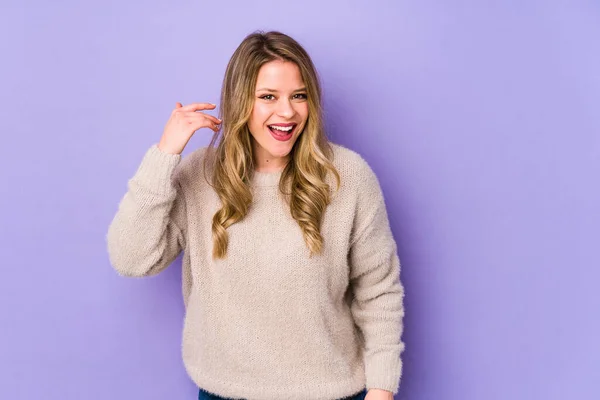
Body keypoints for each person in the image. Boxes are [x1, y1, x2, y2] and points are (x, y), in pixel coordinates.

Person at [107, 30, 405, 400]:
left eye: (299, 96)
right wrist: (165, 154)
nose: (287, 111)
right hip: (223, 393)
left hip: (331, 393)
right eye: (268, 97)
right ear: (239, 102)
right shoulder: (200, 177)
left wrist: (381, 391)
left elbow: (379, 292)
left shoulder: (347, 177)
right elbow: (132, 258)